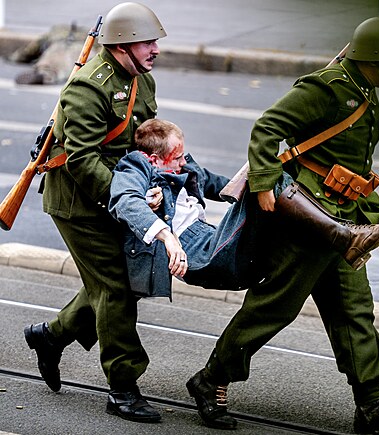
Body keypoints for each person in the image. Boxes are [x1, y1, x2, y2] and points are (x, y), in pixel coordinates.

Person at [185, 17, 379, 433]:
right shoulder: (327, 88)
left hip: (345, 224)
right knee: (274, 308)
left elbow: (353, 168)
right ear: (375, 58)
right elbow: (267, 128)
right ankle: (210, 379)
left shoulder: (363, 88)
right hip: (308, 219)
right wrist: (264, 185)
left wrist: (372, 216)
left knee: (354, 310)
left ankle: (371, 405)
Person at [23, 2, 167, 423]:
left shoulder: (141, 80)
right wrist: (129, 201)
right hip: (79, 205)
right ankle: (122, 386)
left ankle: (51, 337)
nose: (156, 49)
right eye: (147, 42)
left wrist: (161, 172)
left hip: (117, 196)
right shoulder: (87, 88)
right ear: (122, 45)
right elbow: (82, 160)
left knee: (114, 283)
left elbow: (141, 140)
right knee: (116, 289)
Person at [109, 118, 379, 297]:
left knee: (271, 175)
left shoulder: (184, 166)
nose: (184, 162)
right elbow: (127, 201)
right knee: (269, 176)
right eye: (177, 158)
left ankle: (355, 235)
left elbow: (220, 186)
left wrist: (251, 183)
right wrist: (167, 237)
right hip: (198, 254)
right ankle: (345, 235)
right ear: (153, 160)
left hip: (210, 238)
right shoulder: (137, 166)